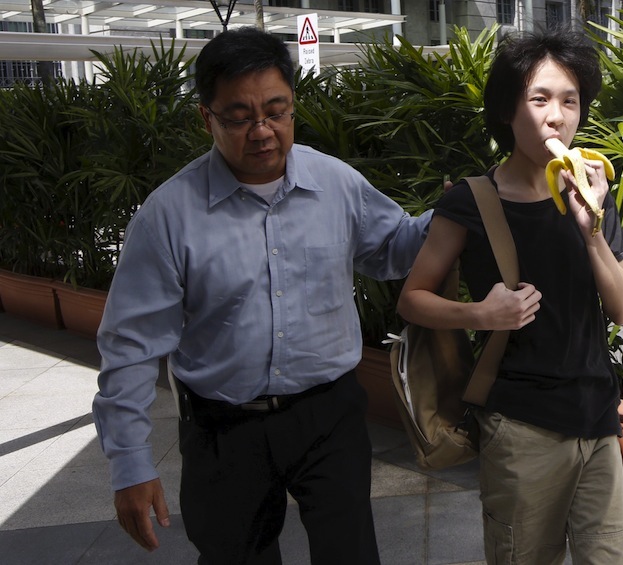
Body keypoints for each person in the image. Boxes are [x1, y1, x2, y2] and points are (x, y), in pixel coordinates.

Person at [92, 27, 431, 565]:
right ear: (206, 118)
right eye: (239, 116)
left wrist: (463, 208)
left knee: (351, 554)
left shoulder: (335, 183)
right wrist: (131, 463)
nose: (263, 130)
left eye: (277, 110)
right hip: (223, 428)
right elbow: (131, 345)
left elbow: (392, 248)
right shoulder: (169, 216)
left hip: (329, 416)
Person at [397, 27, 623, 564]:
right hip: (521, 426)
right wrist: (480, 313)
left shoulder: (592, 195)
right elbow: (412, 299)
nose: (556, 116)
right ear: (508, 111)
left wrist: (590, 227)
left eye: (570, 101)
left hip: (597, 418)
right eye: (540, 99)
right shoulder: (472, 201)